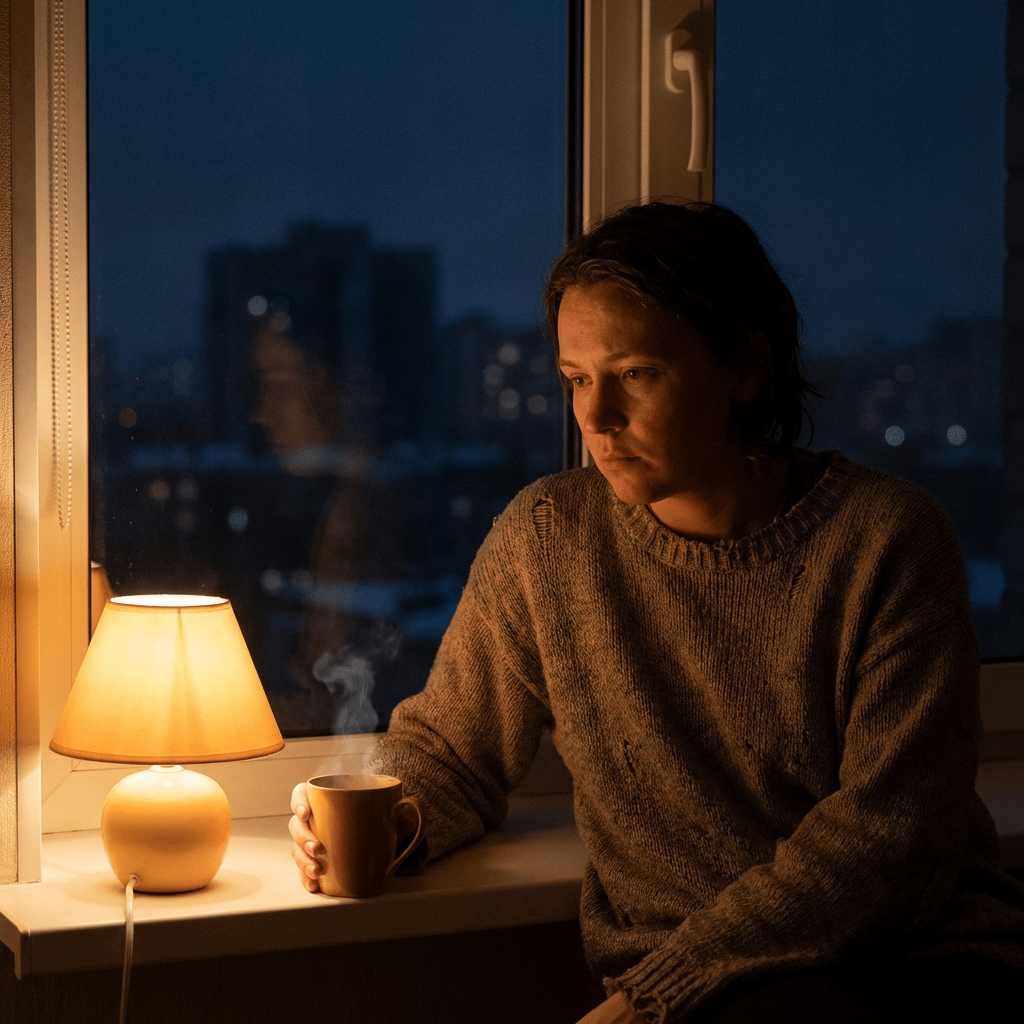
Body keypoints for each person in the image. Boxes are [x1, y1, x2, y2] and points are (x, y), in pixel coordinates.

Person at [289, 202, 1024, 1022]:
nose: (596, 419)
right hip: (699, 992)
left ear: (745, 367)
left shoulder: (888, 541)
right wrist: (387, 817)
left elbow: (890, 840)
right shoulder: (548, 539)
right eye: (576, 380)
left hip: (914, 963)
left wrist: (657, 995)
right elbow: (451, 749)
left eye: (637, 373)